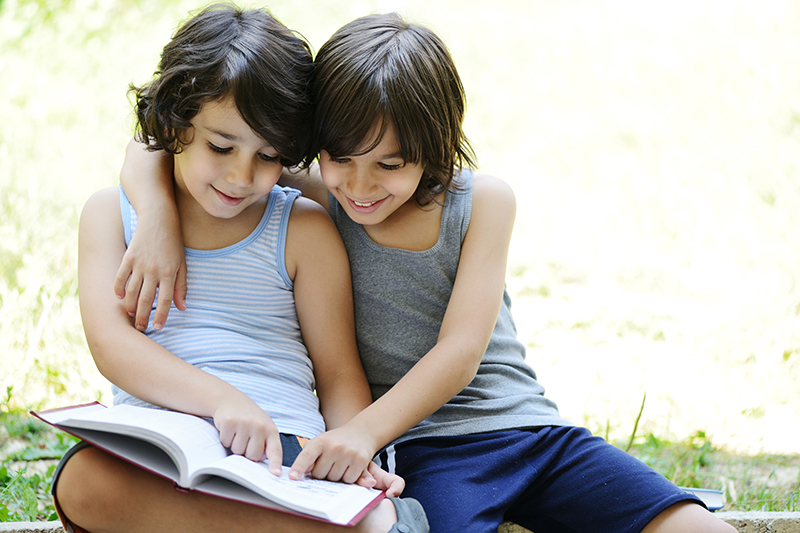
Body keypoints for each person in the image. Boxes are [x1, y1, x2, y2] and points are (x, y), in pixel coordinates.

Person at [115, 11, 738, 533]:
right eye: (341, 158)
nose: (361, 186)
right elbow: (154, 142)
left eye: (391, 164)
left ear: (436, 150)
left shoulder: (484, 202)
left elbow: (462, 352)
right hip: (424, 451)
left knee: (693, 526)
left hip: (529, 430)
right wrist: (155, 218)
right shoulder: (318, 194)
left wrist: (359, 434)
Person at [52, 5, 430, 533]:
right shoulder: (111, 216)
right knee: (84, 480)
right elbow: (112, 347)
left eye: (269, 154)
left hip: (284, 452)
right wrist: (220, 400)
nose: (241, 176)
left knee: (372, 514)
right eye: (221, 146)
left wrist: (351, 450)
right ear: (171, 123)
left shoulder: (301, 228)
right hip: (163, 449)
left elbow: (339, 373)